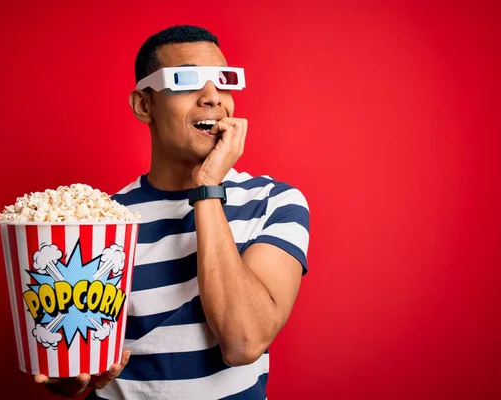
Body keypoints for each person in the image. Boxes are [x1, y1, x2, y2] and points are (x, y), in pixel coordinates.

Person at [34, 24, 310, 399]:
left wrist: (208, 188)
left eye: (224, 81)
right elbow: (76, 351)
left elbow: (244, 342)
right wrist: (70, 379)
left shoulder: (273, 202)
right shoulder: (102, 221)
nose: (213, 98)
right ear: (144, 104)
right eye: (186, 81)